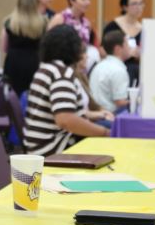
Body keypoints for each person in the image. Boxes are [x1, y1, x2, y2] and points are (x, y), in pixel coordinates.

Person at [24, 25, 109, 156]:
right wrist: (104, 133)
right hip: (53, 149)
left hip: (40, 147)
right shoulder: (61, 74)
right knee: (114, 137)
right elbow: (65, 119)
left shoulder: (46, 68)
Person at [1, 0, 47, 94]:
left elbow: (4, 47)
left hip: (13, 63)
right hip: (34, 62)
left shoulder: (8, 22)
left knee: (12, 97)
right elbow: (45, 47)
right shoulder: (44, 22)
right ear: (36, 3)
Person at [47, 0, 98, 68]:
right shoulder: (60, 18)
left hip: (81, 67)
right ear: (72, 1)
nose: (87, 2)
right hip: (63, 65)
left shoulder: (86, 23)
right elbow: (48, 43)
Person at [103, 0, 144, 84]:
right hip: (116, 69)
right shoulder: (113, 26)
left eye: (141, 3)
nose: (139, 7)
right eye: (134, 4)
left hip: (136, 70)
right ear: (125, 7)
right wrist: (127, 53)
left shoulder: (143, 28)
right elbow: (103, 51)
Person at [89, 30, 131, 114]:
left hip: (96, 112)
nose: (130, 47)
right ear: (118, 49)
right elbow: (120, 102)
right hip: (110, 115)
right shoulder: (118, 70)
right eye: (127, 44)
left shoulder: (99, 65)